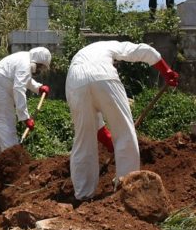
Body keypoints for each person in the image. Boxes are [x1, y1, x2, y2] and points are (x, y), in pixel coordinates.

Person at [65, 41, 179, 201]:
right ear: (115, 63)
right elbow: (143, 50)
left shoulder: (81, 59)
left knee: (83, 139)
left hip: (75, 83)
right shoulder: (109, 46)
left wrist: (112, 147)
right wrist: (166, 71)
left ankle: (83, 195)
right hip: (104, 77)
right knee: (125, 132)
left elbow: (98, 129)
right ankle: (127, 188)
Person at [0, 47, 52, 160]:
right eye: (40, 67)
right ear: (36, 61)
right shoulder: (24, 63)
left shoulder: (23, 58)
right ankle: (13, 161)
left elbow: (23, 79)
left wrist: (39, 87)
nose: (39, 71)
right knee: (6, 123)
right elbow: (19, 88)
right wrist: (25, 117)